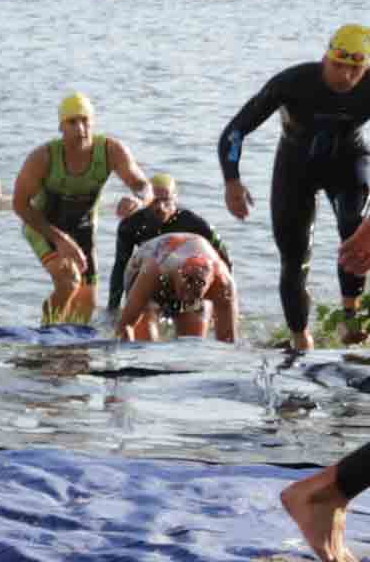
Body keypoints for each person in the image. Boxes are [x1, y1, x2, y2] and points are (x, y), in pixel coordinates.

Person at [218, 26, 370, 351]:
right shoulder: (294, 82)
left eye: (354, 69)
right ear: (325, 58)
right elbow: (235, 130)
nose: (344, 76)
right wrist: (232, 181)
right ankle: (300, 338)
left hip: (348, 159)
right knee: (294, 254)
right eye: (337, 65)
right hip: (296, 164)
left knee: (353, 226)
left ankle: (351, 318)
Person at [14, 92, 149, 326]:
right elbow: (19, 204)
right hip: (44, 226)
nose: (80, 128)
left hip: (84, 228)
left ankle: (74, 356)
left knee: (85, 311)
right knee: (68, 280)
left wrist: (138, 199)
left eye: (85, 121)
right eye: (72, 122)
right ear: (60, 127)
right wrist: (59, 239)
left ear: (93, 123)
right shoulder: (42, 158)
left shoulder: (110, 150)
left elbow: (143, 185)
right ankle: (45, 337)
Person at [108, 171, 225, 318]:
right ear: (146, 200)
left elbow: (223, 259)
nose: (161, 207)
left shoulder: (195, 224)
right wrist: (113, 309)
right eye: (155, 201)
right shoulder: (131, 225)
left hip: (184, 279)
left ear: (175, 197)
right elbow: (120, 267)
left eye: (166, 201)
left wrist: (222, 303)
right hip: (150, 277)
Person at [112, 228, 238, 342]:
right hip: (143, 268)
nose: (189, 292)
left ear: (210, 284)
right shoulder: (155, 270)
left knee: (193, 345)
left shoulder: (224, 284)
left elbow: (228, 341)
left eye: (196, 290)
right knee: (145, 345)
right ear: (179, 274)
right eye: (187, 283)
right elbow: (125, 326)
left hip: (189, 260)